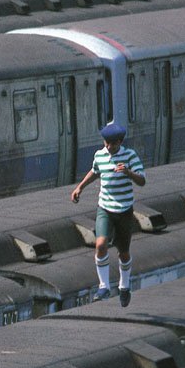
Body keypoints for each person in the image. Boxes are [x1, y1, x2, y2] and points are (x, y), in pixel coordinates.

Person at [69, 122, 146, 306]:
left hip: (124, 211)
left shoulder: (130, 156)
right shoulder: (100, 155)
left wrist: (128, 172)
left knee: (124, 252)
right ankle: (103, 286)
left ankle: (124, 286)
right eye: (106, 143)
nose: (108, 147)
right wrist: (80, 187)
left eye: (112, 144)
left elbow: (142, 180)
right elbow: (95, 171)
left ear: (120, 142)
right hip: (105, 208)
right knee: (101, 244)